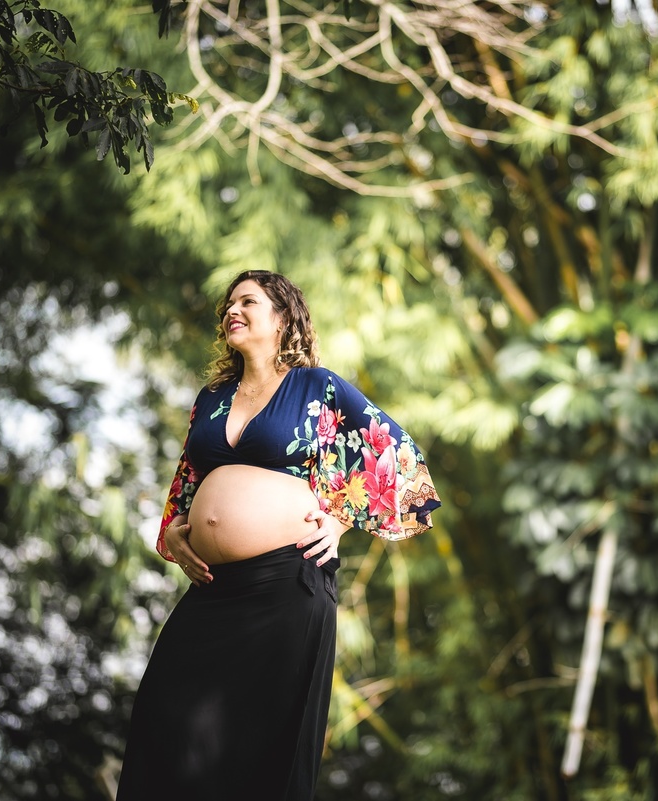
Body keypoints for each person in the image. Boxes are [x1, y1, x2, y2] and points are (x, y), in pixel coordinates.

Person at [117, 270, 440, 800]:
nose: (232, 312)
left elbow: (397, 456)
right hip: (212, 590)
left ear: (283, 317)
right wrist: (177, 534)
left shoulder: (317, 386)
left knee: (260, 746)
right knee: (164, 721)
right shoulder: (212, 397)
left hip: (284, 586)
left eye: (248, 301)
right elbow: (188, 483)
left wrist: (341, 518)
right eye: (228, 305)